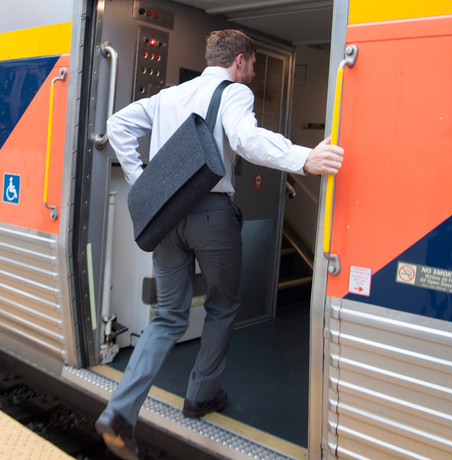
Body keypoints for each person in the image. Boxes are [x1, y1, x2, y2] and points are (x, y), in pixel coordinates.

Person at [95, 29, 344, 460]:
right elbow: (246, 140)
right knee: (222, 305)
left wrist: (144, 183)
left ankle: (119, 413)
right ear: (241, 60)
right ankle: (200, 396)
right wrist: (304, 158)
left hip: (166, 218)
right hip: (212, 217)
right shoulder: (234, 93)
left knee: (168, 317)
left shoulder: (170, 95)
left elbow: (116, 125)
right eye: (252, 65)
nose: (251, 73)